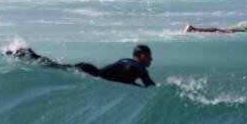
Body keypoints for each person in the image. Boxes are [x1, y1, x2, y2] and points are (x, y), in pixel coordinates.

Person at [8, 45, 156, 87]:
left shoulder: (126, 61)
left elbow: (125, 80)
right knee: (53, 66)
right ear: (142, 55)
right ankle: (26, 53)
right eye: (149, 56)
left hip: (88, 68)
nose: (151, 59)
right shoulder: (138, 67)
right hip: (91, 72)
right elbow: (150, 86)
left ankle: (26, 53)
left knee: (55, 66)